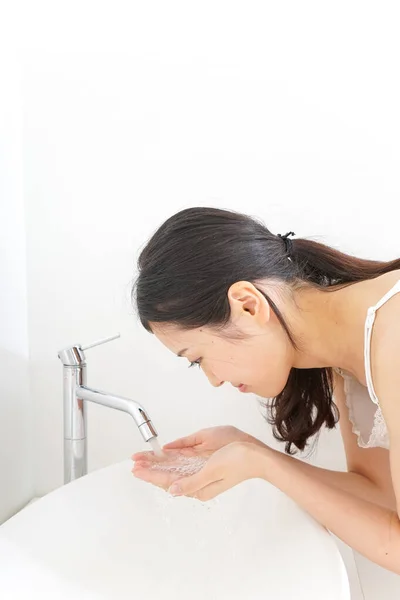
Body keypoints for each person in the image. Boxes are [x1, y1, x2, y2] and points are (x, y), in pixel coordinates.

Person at [130, 206, 400, 574]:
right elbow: (382, 498)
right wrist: (251, 453)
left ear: (248, 304)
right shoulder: (347, 350)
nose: (213, 379)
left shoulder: (393, 336)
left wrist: (266, 465)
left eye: (197, 358)